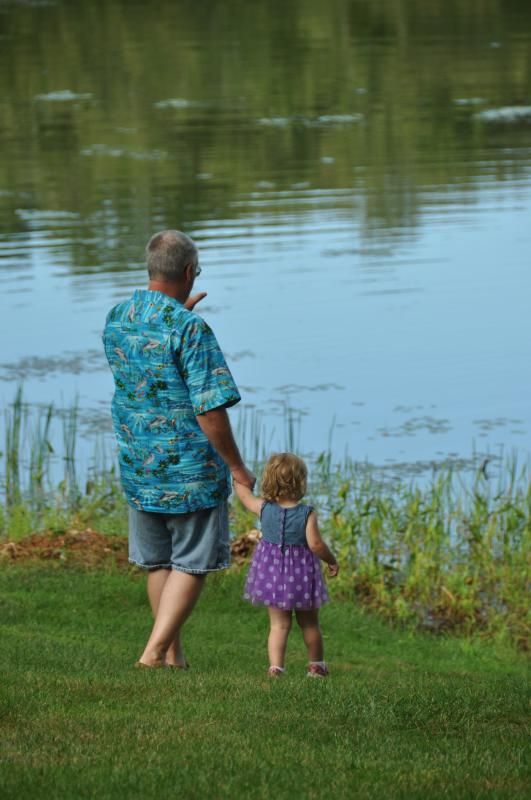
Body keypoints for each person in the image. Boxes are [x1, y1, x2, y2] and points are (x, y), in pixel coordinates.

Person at [103, 229, 255, 668]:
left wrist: (177, 316)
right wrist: (238, 468)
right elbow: (209, 411)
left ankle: (174, 657)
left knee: (158, 562)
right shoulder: (190, 331)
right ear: (189, 272)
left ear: (152, 269)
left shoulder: (118, 316)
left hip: (138, 462)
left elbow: (148, 371)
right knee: (190, 562)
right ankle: (152, 655)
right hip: (189, 469)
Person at [233, 453, 338, 678]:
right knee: (309, 624)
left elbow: (244, 496)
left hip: (272, 576)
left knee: (279, 626)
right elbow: (316, 544)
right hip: (302, 576)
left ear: (269, 480)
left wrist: (237, 476)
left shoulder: (263, 508)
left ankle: (276, 668)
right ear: (301, 482)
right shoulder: (306, 513)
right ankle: (317, 666)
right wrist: (331, 560)